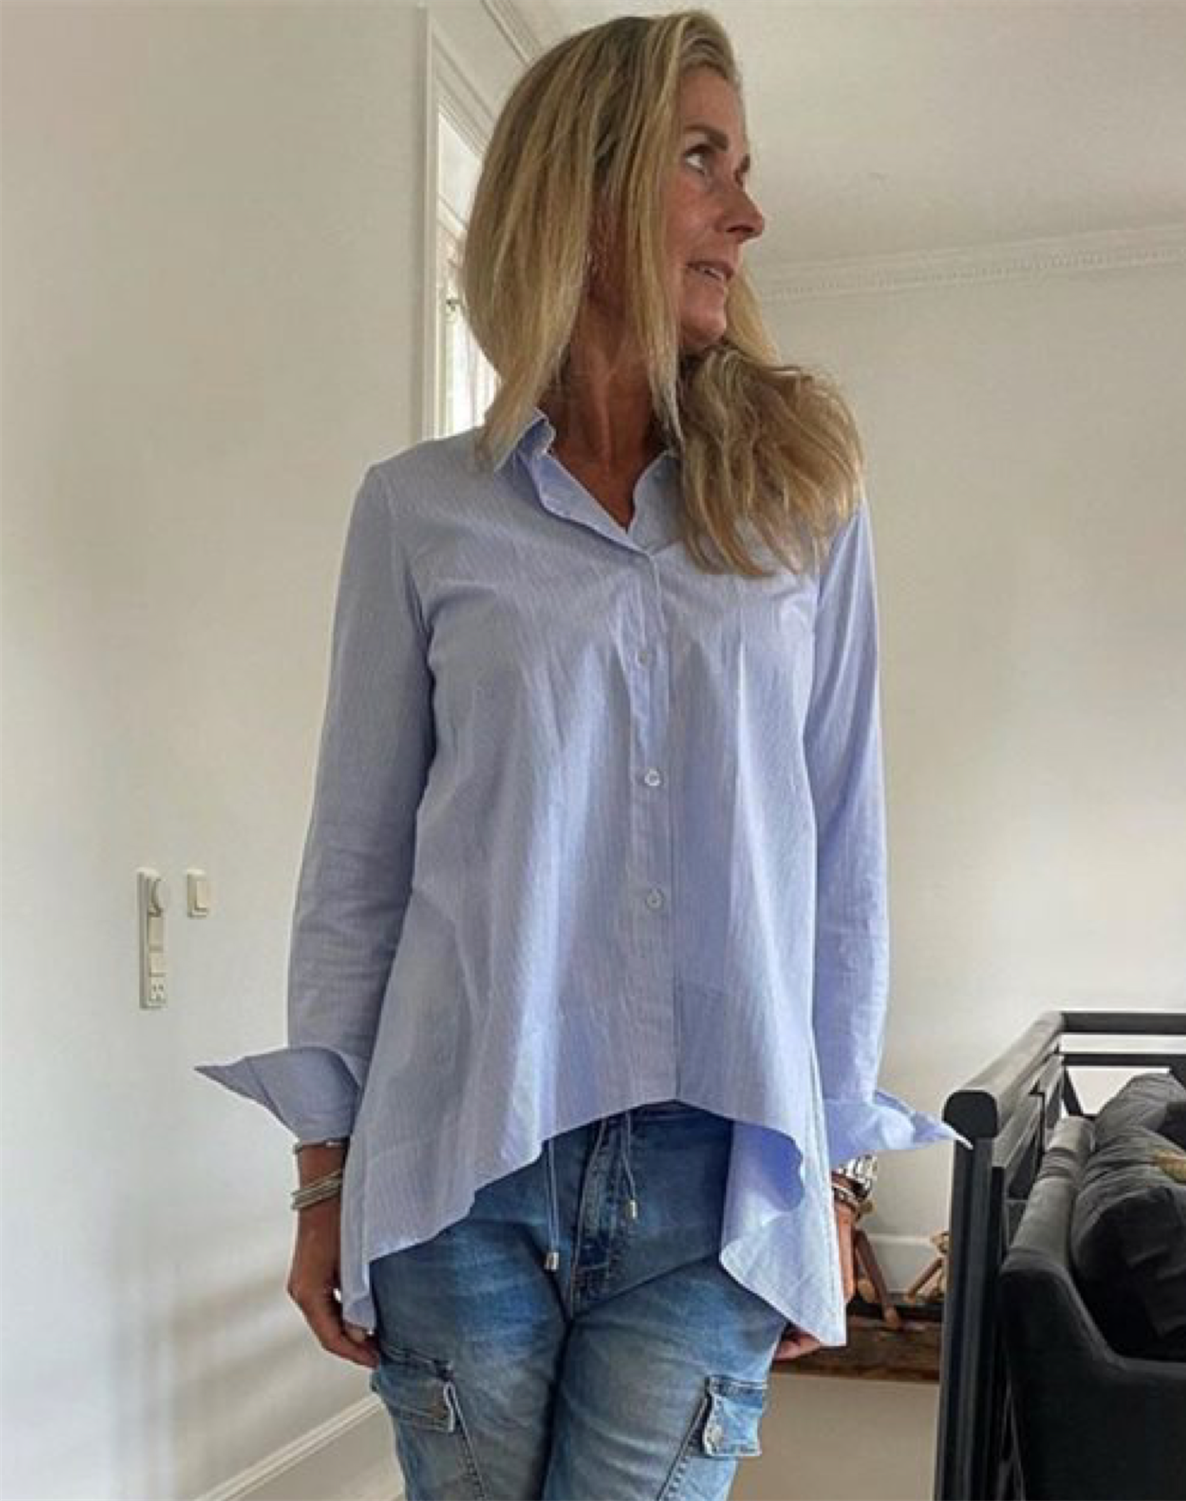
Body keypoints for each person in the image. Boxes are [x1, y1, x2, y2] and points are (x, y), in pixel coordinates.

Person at [196, 8, 968, 1497]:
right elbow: (357, 867)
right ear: (585, 189)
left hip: (716, 1177)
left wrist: (833, 1171)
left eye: (742, 168)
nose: (747, 214)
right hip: (457, 1160)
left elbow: (842, 853)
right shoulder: (421, 510)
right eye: (702, 162)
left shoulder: (806, 503)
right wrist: (322, 1175)